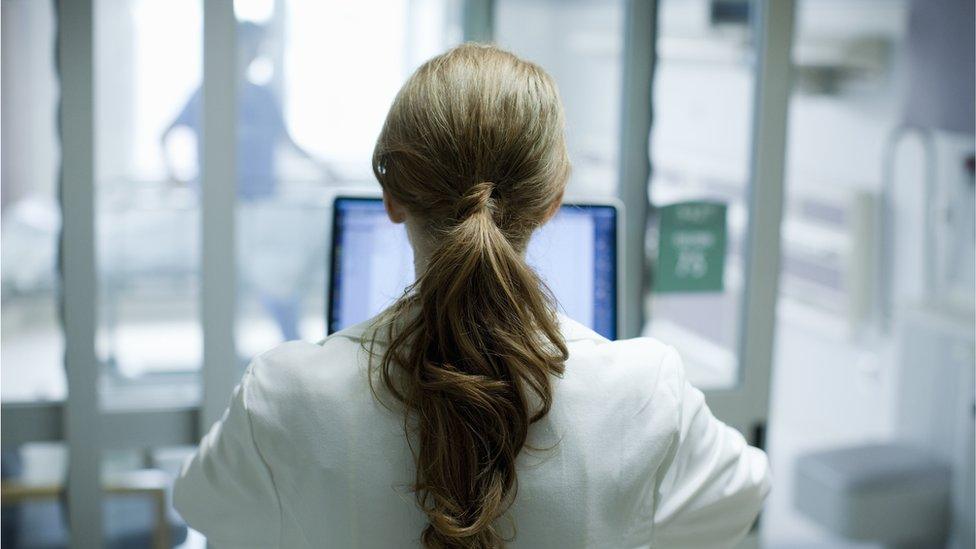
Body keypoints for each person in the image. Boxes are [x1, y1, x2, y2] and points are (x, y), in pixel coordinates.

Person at [174, 44, 770, 548]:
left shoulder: (284, 395)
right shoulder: (645, 393)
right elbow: (744, 494)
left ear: (392, 196)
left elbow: (201, 505)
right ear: (553, 201)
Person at [160, 22, 327, 342]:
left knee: (275, 280)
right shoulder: (208, 94)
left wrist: (323, 169)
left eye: (257, 50)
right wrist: (173, 175)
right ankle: (229, 349)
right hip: (222, 208)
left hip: (260, 207)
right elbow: (166, 134)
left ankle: (292, 344)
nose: (254, 55)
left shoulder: (262, 97)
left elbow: (286, 142)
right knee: (237, 284)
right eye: (250, 48)